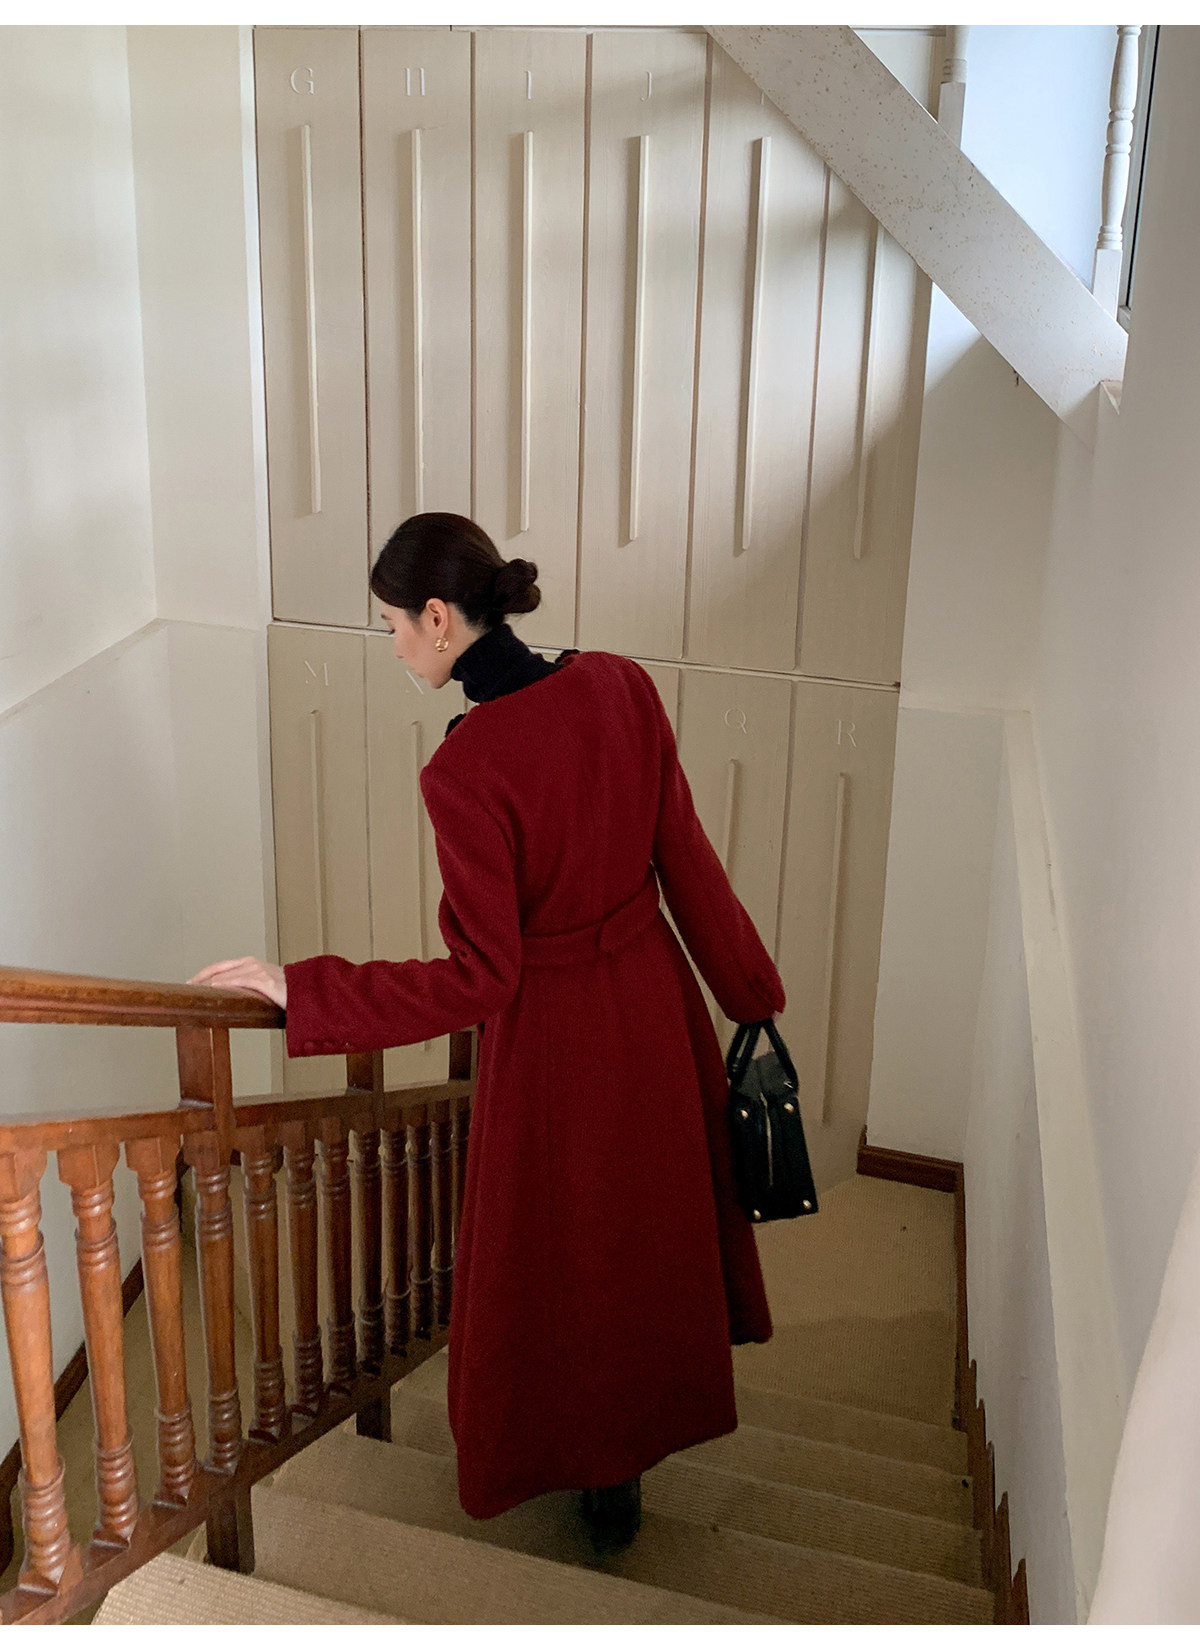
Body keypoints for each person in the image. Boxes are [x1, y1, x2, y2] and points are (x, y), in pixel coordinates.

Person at [191, 511, 785, 1549]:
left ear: (438, 617)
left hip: (554, 1041)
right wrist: (749, 993)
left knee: (566, 1259)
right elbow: (685, 855)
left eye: (392, 625)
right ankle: (627, 1469)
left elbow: (482, 976)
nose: (393, 648)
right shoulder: (620, 684)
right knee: (645, 1232)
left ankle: (590, 1460)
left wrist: (304, 989)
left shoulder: (464, 770)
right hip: (654, 1006)